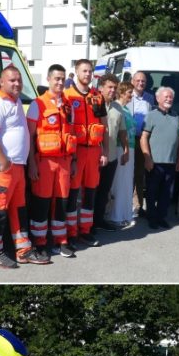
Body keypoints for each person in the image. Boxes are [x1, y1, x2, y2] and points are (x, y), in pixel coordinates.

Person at [0, 66, 46, 268]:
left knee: (19, 210)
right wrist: (3, 161)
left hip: (17, 165)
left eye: (19, 80)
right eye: (12, 80)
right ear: (1, 82)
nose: (17, 83)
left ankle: (23, 250)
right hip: (1, 166)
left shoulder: (16, 101)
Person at [26, 64, 77, 259]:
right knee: (42, 203)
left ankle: (60, 241)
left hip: (64, 161)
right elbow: (30, 138)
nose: (60, 82)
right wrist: (32, 164)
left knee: (62, 202)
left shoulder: (68, 104)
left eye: (62, 79)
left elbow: (70, 134)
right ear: (48, 79)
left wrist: (73, 161)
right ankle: (39, 242)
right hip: (44, 162)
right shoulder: (37, 104)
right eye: (56, 78)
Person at [64, 59, 107, 248]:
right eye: (84, 71)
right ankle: (71, 232)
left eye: (90, 71)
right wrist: (70, 156)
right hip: (76, 152)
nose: (87, 74)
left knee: (90, 193)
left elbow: (103, 126)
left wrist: (104, 151)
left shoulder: (97, 96)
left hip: (94, 151)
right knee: (73, 194)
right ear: (76, 71)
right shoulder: (67, 96)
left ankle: (86, 230)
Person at [92, 74, 129, 234]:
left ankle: (98, 220)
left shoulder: (118, 107)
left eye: (115, 87)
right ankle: (87, 224)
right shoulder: (92, 105)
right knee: (90, 191)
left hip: (112, 156)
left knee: (104, 191)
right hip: (93, 157)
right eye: (109, 87)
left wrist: (126, 149)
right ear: (100, 88)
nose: (113, 90)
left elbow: (122, 131)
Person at [141, 86, 179, 230]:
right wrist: (147, 158)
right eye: (166, 97)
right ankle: (152, 218)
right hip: (155, 162)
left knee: (166, 193)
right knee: (152, 192)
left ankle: (161, 217)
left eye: (171, 97)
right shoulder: (151, 115)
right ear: (158, 98)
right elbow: (144, 137)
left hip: (170, 162)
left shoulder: (176, 116)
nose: (169, 99)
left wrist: (178, 159)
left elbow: (178, 139)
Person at [108, 81, 137, 228]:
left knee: (127, 184)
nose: (131, 95)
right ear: (122, 93)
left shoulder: (125, 109)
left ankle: (125, 214)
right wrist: (125, 150)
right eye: (129, 93)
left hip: (130, 148)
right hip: (121, 149)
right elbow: (120, 131)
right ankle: (116, 215)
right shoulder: (116, 107)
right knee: (120, 183)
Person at [128, 71, 155, 226]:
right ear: (132, 81)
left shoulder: (150, 98)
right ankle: (125, 205)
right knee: (126, 174)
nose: (140, 83)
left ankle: (138, 206)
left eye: (143, 81)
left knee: (139, 174)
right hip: (127, 140)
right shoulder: (126, 96)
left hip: (142, 140)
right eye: (137, 80)